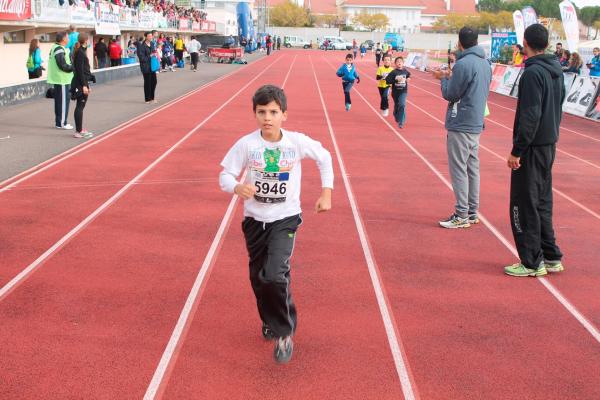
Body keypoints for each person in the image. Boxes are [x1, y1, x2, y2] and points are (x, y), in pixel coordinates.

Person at [218, 85, 333, 364]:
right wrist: (236, 188)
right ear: (255, 115)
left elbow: (325, 157)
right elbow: (225, 176)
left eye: (273, 112)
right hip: (255, 222)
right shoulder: (247, 144)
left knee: (273, 275)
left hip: (285, 218)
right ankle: (270, 320)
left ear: (284, 115)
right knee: (259, 279)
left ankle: (284, 333)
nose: (267, 117)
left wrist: (326, 191)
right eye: (261, 112)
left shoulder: (295, 143)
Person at [504, 24, 564, 277]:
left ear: (525, 43)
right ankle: (550, 255)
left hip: (531, 147)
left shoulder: (532, 74)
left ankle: (531, 261)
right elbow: (557, 105)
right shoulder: (556, 70)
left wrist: (517, 150)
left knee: (523, 203)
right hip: (548, 144)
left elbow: (531, 115)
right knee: (542, 201)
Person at [432, 26, 491, 229]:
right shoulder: (485, 63)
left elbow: (451, 94)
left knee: (459, 169)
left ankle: (461, 214)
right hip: (475, 122)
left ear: (460, 42)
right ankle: (472, 211)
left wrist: (444, 79)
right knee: (472, 168)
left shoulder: (463, 64)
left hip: (461, 122)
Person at [47, 31, 74, 130]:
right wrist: (73, 68)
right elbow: (62, 65)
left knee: (60, 102)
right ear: (63, 39)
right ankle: (62, 123)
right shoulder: (59, 49)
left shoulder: (58, 48)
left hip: (61, 79)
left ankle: (59, 122)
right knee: (63, 102)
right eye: (67, 37)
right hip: (61, 79)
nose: (69, 39)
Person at [71, 32, 95, 139]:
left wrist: (87, 84)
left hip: (82, 82)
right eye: (88, 39)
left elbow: (84, 70)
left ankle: (79, 129)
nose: (89, 41)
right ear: (85, 40)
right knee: (80, 106)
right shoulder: (80, 52)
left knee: (81, 106)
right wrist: (84, 85)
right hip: (80, 83)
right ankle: (78, 131)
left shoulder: (82, 51)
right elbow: (80, 71)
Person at [384, 56, 411, 127]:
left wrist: (408, 78)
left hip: (403, 91)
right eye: (398, 62)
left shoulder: (405, 71)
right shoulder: (393, 72)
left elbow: (408, 75)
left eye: (400, 62)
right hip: (395, 92)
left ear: (403, 63)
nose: (399, 63)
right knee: (397, 105)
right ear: (395, 64)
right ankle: (395, 113)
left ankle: (401, 122)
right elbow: (387, 81)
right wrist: (396, 80)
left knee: (402, 104)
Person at [138, 31, 158, 104]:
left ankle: (152, 98)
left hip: (152, 66)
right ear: (146, 37)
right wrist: (150, 56)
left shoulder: (152, 44)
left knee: (154, 82)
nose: (151, 37)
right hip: (145, 67)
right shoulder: (141, 46)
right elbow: (141, 58)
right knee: (147, 83)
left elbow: (154, 52)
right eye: (149, 36)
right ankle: (147, 99)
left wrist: (155, 54)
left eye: (151, 36)